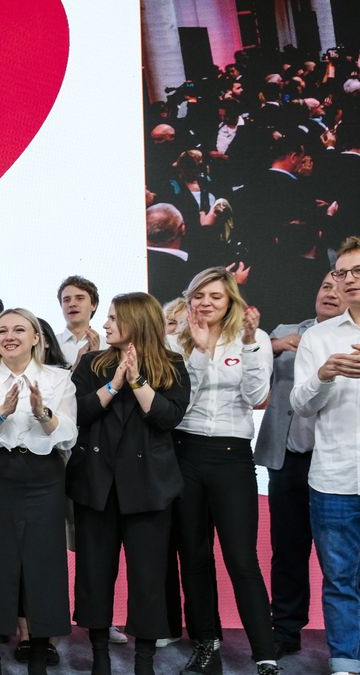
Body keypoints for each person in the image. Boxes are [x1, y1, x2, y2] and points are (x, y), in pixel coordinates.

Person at [67, 293, 191, 675]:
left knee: (149, 579)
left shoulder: (171, 365)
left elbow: (167, 417)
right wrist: (115, 383)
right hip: (97, 488)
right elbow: (79, 412)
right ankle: (100, 656)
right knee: (94, 575)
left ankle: (144, 661)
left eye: (113, 318)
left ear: (136, 322)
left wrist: (136, 380)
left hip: (149, 490)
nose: (104, 324)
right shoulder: (92, 363)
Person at [170, 267, 280, 675]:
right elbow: (181, 402)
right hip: (186, 453)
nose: (206, 303)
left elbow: (256, 397)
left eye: (215, 296)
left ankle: (265, 654)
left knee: (240, 557)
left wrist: (250, 344)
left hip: (233, 457)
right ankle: (206, 645)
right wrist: (198, 352)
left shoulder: (254, 339)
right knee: (195, 556)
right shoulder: (174, 340)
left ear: (231, 300)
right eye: (199, 295)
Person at [0, 308, 76, 675]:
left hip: (42, 477)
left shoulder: (59, 380)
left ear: (36, 337)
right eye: (2, 330)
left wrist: (42, 412)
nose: (10, 336)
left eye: (19, 329)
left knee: (43, 567)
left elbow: (69, 434)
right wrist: (2, 411)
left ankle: (39, 657)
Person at [255, 272, 343, 658]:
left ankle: (343, 634)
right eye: (325, 285)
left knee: (339, 553)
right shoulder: (290, 331)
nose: (331, 292)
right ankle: (286, 628)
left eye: (341, 288)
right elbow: (256, 368)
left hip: (336, 457)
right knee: (287, 547)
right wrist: (273, 344)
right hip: (288, 456)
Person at [290, 235, 360, 675]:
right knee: (339, 579)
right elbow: (300, 404)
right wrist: (324, 374)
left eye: (357, 272)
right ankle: (346, 661)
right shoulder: (319, 337)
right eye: (342, 272)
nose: (349, 280)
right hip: (335, 477)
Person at [55, 276, 101, 365]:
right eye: (66, 300)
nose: (72, 304)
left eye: (79, 298)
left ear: (93, 305)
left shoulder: (108, 346)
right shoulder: (50, 344)